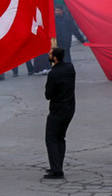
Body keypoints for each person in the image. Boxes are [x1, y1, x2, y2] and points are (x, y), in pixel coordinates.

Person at [44, 47, 76, 179]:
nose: (48, 54)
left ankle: (56, 169)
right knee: (60, 138)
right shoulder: (70, 68)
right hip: (69, 108)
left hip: (57, 110)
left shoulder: (53, 73)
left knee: (51, 138)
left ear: (55, 58)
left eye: (50, 53)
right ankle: (57, 166)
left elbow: (48, 95)